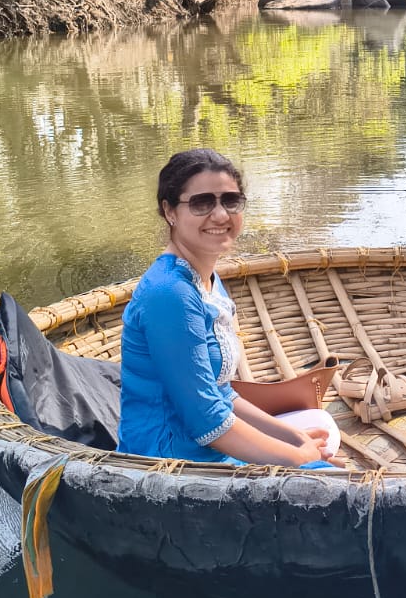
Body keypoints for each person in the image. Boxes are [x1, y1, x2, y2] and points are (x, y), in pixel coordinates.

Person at [118, 148, 341, 468]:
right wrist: (299, 458)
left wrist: (296, 440)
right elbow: (208, 422)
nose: (221, 215)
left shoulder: (206, 279)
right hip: (169, 462)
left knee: (319, 441)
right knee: (328, 477)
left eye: (230, 201)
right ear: (169, 212)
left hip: (201, 443)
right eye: (202, 202)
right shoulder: (170, 294)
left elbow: (222, 394)